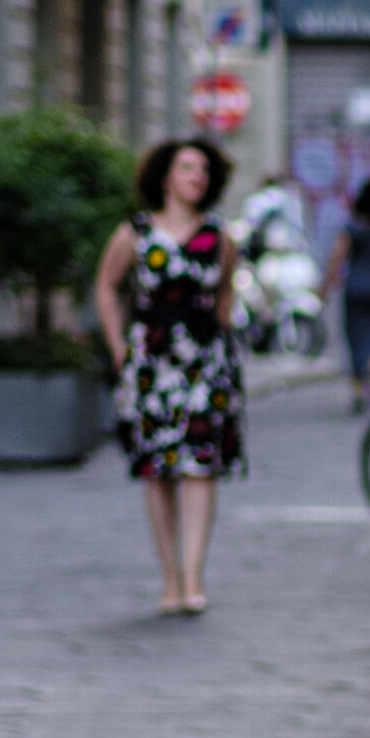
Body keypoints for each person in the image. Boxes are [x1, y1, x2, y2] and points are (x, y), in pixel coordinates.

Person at [95, 135, 244, 616]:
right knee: (159, 470)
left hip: (203, 361)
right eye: (186, 168)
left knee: (200, 467)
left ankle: (195, 577)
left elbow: (225, 299)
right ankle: (171, 579)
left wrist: (226, 359)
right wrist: (118, 346)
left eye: (203, 170)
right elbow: (106, 287)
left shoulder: (219, 237)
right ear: (165, 177)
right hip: (151, 363)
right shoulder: (135, 233)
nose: (196, 177)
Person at [323, 177, 370, 410]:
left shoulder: (351, 227)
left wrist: (325, 286)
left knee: (354, 338)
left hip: (354, 285)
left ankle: (357, 386)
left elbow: (338, 256)